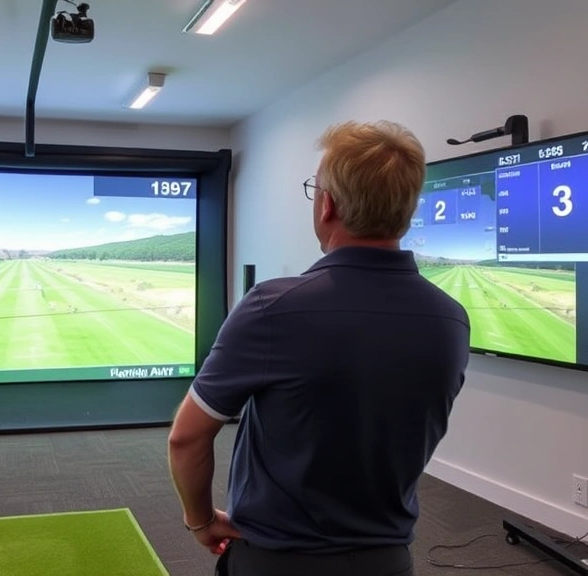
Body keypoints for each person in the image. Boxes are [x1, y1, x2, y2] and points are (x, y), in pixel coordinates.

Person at [167, 120, 470, 576]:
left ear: (327, 204)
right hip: (388, 563)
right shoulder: (451, 319)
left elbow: (186, 437)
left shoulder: (272, 307)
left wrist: (201, 521)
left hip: (276, 562)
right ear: (407, 212)